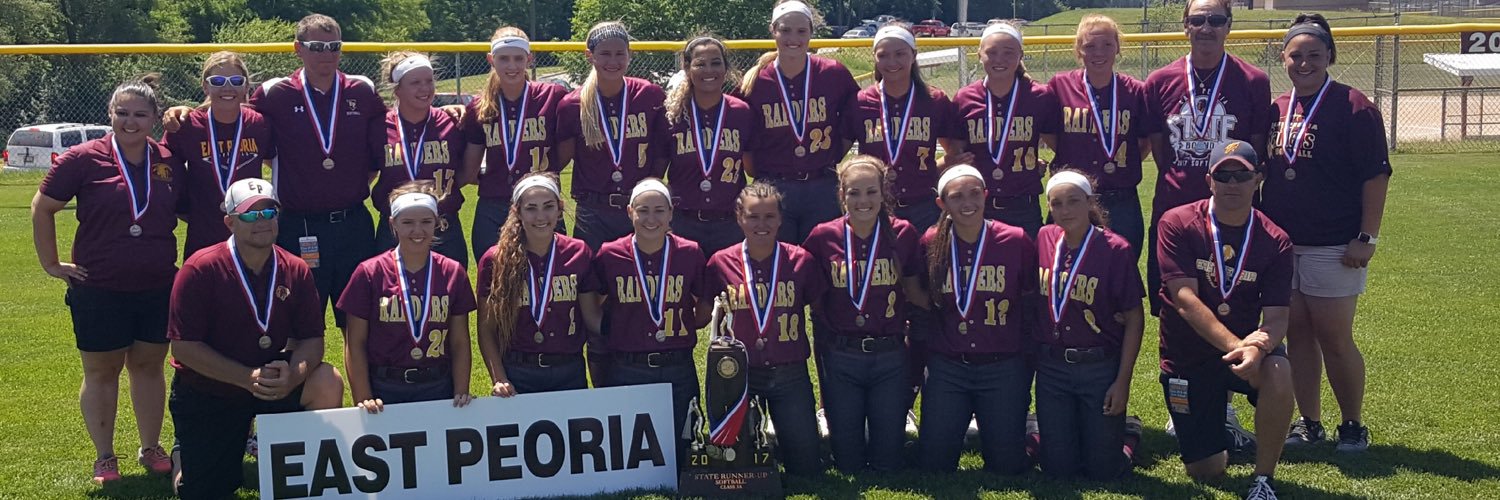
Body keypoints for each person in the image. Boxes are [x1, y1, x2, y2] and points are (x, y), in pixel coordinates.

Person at [32, 76, 185, 483]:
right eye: (122, 113)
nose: (130, 122)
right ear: (110, 114)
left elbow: (189, 209)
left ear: (155, 117)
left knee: (149, 367)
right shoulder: (82, 158)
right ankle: (105, 456)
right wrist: (51, 263)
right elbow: (42, 208)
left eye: (140, 114)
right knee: (101, 370)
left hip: (156, 284)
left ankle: (150, 447)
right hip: (98, 285)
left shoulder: (168, 160)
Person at [1262, 13, 1391, 453]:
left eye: (1314, 55)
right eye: (1295, 56)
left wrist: (1366, 237)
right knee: (1296, 334)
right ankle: (1310, 421)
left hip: (1334, 243)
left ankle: (1352, 423)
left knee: (1335, 337)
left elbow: (1375, 178)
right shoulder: (1278, 107)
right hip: (1283, 243)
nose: (1304, 63)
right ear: (1283, 58)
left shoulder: (1354, 106)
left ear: (1329, 56)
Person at [167, 178, 343, 498]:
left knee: (327, 379)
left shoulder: (295, 268)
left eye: (268, 213)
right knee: (203, 491)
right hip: (211, 387)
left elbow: (312, 341)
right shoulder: (200, 268)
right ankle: (183, 457)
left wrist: (294, 376)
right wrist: (246, 378)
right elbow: (184, 347)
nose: (261, 222)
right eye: (249, 215)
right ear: (230, 222)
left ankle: (303, 469)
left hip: (271, 382)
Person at [1156, 140, 1294, 500]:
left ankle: (1264, 479)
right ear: (1209, 181)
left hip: (1249, 353)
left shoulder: (1276, 240)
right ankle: (1224, 433)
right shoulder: (1177, 223)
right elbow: (1184, 299)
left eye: (1242, 175)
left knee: (1280, 372)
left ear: (1258, 179)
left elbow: (1278, 317)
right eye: (1224, 175)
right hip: (1189, 356)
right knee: (1206, 471)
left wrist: (1259, 347)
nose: (1233, 184)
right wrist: (1239, 347)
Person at [1143, 0, 1273, 315]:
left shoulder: (1253, 80)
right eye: (1198, 20)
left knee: (1236, 304)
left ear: (1229, 26)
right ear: (1185, 25)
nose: (1206, 28)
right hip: (1175, 209)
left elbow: (1255, 149)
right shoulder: (1159, 81)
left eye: (1216, 20)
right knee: (1175, 306)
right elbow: (1161, 151)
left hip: (1234, 212)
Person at [800, 155, 925, 473]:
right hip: (842, 355)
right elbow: (812, 296)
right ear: (841, 195)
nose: (863, 200)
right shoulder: (822, 236)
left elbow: (913, 292)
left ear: (884, 193)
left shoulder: (903, 233)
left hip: (890, 355)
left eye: (871, 191)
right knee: (848, 462)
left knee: (888, 460)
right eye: (853, 192)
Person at [917, 164, 1038, 474]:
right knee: (935, 464)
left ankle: (1034, 434)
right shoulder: (931, 242)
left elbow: (1030, 303)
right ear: (941, 204)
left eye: (974, 194)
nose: (967, 203)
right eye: (956, 197)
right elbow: (921, 299)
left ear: (986, 195)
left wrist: (1023, 364)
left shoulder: (1015, 239)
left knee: (1007, 467)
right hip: (948, 367)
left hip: (1001, 365)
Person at [704, 181, 827, 476]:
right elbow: (701, 310)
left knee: (805, 466)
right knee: (736, 465)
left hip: (789, 372)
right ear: (739, 217)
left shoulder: (801, 260)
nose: (762, 224)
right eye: (753, 216)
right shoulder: (720, 263)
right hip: (738, 375)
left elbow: (819, 307)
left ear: (781, 219)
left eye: (769, 216)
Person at [1033, 170, 1145, 480]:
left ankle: (1129, 435)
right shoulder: (1045, 238)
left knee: (1103, 471)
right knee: (1058, 470)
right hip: (1053, 368)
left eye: (1073, 201)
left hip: (1098, 366)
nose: (1065, 210)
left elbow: (1135, 317)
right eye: (1057, 204)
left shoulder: (1115, 248)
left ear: (1090, 202)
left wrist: (1122, 382)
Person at [591, 178, 711, 463]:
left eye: (659, 211)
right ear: (630, 211)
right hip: (627, 367)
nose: (651, 218)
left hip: (677, 365)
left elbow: (704, 305)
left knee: (685, 452)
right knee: (625, 455)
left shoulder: (690, 252)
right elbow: (594, 300)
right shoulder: (610, 254)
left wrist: (682, 327)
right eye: (643, 210)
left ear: (671, 213)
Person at [338, 183, 477, 412]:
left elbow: (460, 342)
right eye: (408, 223)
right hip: (385, 387)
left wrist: (460, 390)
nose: (417, 231)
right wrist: (363, 396)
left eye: (426, 222)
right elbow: (356, 343)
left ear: (438, 222)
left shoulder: (453, 272)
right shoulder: (369, 272)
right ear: (392, 224)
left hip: (438, 385)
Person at [737, 0, 860, 243]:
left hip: (822, 184)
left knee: (825, 261)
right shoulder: (755, 81)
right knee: (780, 261)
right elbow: (742, 133)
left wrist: (834, 153)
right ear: (773, 31)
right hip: (774, 185)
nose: (793, 38)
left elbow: (855, 116)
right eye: (785, 30)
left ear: (812, 33)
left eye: (801, 31)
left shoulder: (832, 73)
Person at [476, 173, 602, 394]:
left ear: (560, 209)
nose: (540, 216)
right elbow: (487, 329)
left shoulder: (578, 252)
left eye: (548, 206)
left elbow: (592, 319)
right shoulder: (495, 260)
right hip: (518, 371)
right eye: (531, 208)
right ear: (517, 211)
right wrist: (499, 378)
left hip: (569, 370)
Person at [557, 20, 669, 251]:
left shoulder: (649, 95)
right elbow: (561, 159)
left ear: (629, 54)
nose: (613, 61)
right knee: (592, 283)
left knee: (638, 279)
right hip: (593, 211)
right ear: (590, 55)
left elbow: (661, 150)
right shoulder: (573, 105)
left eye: (620, 53)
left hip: (640, 208)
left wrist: (651, 186)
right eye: (605, 54)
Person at [846, 23, 966, 233]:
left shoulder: (934, 100)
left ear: (913, 55)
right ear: (874, 57)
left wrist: (930, 169)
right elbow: (839, 153)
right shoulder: (861, 102)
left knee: (925, 264)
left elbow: (953, 152)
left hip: (923, 204)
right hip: (875, 206)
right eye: (883, 55)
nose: (891, 62)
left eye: (900, 54)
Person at [1047, 15, 1151, 258]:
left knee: (1122, 269)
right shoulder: (1060, 85)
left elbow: (1143, 142)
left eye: (1107, 45)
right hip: (1071, 198)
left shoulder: (1135, 91)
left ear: (1118, 48)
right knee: (1066, 266)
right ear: (1078, 50)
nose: (1098, 52)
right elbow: (1050, 134)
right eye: (1089, 46)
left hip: (1121, 198)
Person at [464, 26, 568, 260]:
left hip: (542, 202)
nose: (512, 66)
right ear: (491, 59)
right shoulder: (479, 107)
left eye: (518, 58)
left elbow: (567, 149)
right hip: (495, 204)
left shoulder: (552, 97)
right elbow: (470, 169)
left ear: (529, 59)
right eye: (504, 59)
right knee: (494, 278)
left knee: (546, 275)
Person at [161, 51, 276, 260]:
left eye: (235, 80)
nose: (227, 87)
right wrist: (183, 208)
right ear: (205, 86)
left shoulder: (259, 124)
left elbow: (274, 162)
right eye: (218, 81)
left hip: (251, 231)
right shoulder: (187, 125)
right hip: (204, 233)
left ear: (245, 86)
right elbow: (167, 171)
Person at [950, 22, 1061, 237]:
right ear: (979, 54)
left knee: (1027, 268)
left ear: (1021, 55)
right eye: (991, 52)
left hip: (1023, 204)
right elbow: (956, 153)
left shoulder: (1039, 96)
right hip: (978, 204)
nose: (999, 59)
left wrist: (1036, 164)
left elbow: (1060, 146)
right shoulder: (965, 98)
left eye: (1008, 53)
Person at [373, 51, 470, 265]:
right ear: (397, 88)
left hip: (444, 228)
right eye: (415, 82)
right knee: (393, 295)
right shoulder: (379, 126)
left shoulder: (453, 122)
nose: (425, 88)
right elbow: (368, 174)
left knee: (450, 294)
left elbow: (466, 173)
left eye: (429, 80)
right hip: (395, 228)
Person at [660, 35, 753, 256]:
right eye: (700, 64)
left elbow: (753, 168)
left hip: (730, 222)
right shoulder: (672, 115)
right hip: (684, 221)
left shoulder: (741, 112)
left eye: (716, 63)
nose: (708, 71)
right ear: (687, 67)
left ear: (726, 67)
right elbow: (657, 171)